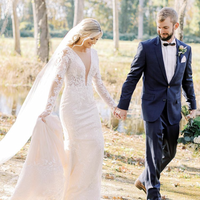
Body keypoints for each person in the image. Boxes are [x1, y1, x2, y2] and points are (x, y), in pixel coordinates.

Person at [0, 18, 116, 199]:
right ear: (84, 33)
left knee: (96, 146)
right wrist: (48, 107)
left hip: (90, 109)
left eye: (97, 40)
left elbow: (98, 83)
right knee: (77, 150)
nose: (93, 43)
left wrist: (112, 106)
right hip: (72, 108)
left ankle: (88, 193)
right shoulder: (67, 53)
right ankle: (71, 192)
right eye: (92, 38)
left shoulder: (94, 54)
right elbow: (57, 81)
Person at [114, 7, 196, 200]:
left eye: (166, 27)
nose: (162, 31)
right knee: (154, 149)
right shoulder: (146, 47)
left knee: (170, 151)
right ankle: (153, 192)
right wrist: (123, 106)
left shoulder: (186, 50)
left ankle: (144, 178)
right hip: (151, 107)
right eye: (159, 27)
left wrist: (193, 106)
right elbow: (132, 77)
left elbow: (187, 80)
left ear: (175, 25)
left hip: (173, 108)